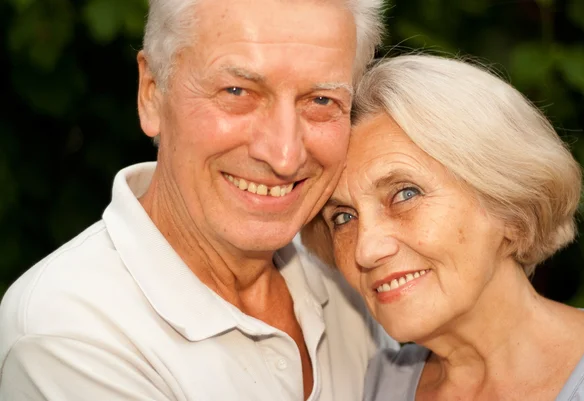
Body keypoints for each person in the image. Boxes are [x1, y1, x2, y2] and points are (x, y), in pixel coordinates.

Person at [0, 0, 395, 400]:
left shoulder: (355, 266)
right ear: (152, 94)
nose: (284, 155)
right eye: (237, 91)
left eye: (321, 101)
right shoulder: (70, 334)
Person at [302, 54, 584, 401]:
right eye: (343, 217)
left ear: (509, 209)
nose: (365, 249)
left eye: (405, 194)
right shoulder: (362, 388)